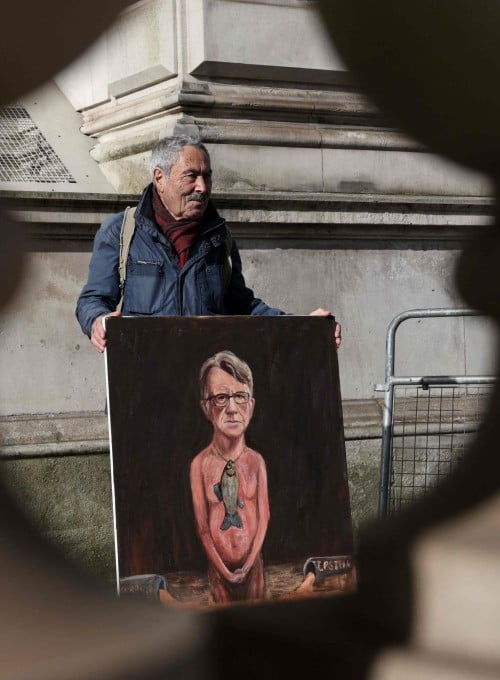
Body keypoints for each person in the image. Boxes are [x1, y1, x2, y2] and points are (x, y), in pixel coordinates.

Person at [75, 135, 341, 352]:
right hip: (139, 388)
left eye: (207, 176)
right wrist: (98, 321)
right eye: (191, 176)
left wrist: (303, 326)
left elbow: (242, 307)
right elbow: (93, 299)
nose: (202, 187)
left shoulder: (219, 238)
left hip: (204, 389)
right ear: (160, 178)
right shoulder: (121, 232)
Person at [189, 351, 270, 604]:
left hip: (254, 569)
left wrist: (247, 567)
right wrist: (225, 572)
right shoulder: (199, 465)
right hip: (218, 573)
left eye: (240, 397)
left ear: (252, 405)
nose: (233, 409)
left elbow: (264, 515)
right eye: (221, 398)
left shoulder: (256, 462)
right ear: (206, 407)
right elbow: (202, 527)